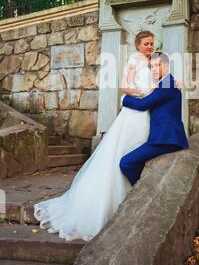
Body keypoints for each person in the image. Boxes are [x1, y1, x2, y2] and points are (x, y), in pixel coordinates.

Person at [34, 31, 155, 241]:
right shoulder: (134, 61)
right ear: (137, 45)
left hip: (148, 113)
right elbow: (124, 87)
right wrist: (143, 94)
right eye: (146, 43)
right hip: (135, 112)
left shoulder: (155, 61)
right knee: (124, 151)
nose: (149, 47)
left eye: (152, 43)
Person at [119, 52, 189, 186]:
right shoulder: (165, 83)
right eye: (152, 66)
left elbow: (143, 105)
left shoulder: (167, 84)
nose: (155, 69)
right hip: (163, 137)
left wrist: (124, 99)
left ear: (167, 66)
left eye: (158, 65)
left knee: (126, 163)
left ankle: (142, 188)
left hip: (166, 139)